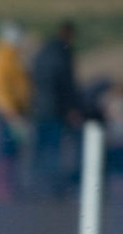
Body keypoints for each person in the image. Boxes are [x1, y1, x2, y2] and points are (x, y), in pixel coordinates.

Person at [31, 20, 81, 197]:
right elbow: (66, 84)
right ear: (69, 34)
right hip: (54, 109)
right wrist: (72, 107)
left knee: (42, 148)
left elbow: (33, 75)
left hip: (38, 106)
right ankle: (53, 187)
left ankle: (39, 185)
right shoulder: (62, 53)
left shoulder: (44, 51)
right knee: (53, 148)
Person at [0, 22, 32, 201]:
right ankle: (2, 187)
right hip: (7, 109)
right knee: (5, 147)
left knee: (15, 147)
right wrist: (10, 110)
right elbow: (1, 87)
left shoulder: (15, 56)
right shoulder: (0, 56)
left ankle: (10, 185)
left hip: (18, 107)